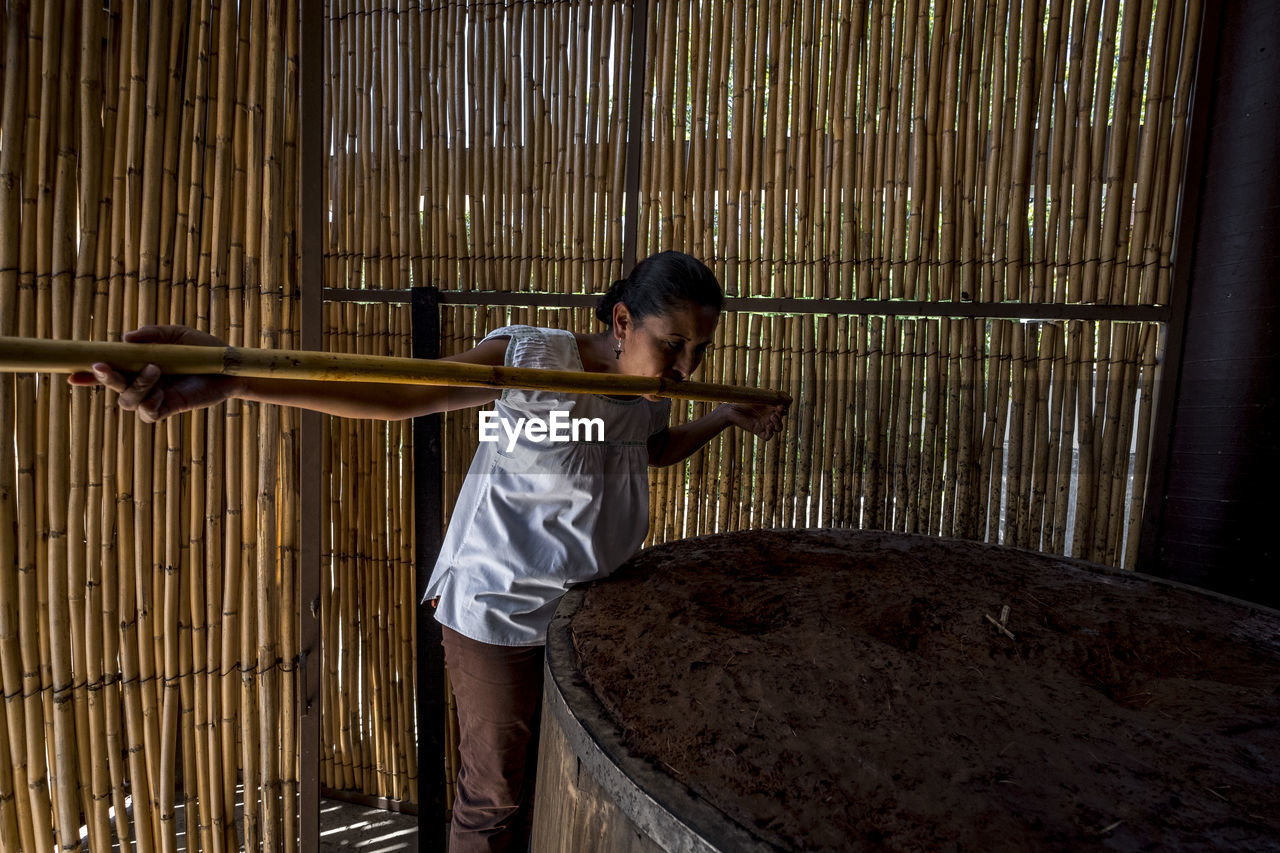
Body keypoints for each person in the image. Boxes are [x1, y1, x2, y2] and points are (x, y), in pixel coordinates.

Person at [73, 250, 787, 852]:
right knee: (498, 792)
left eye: (700, 350)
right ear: (622, 321)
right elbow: (398, 395)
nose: (688, 366)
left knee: (553, 776)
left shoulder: (647, 390)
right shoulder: (534, 360)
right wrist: (234, 378)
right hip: (499, 613)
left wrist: (720, 416)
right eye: (674, 345)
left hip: (583, 616)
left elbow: (647, 450)